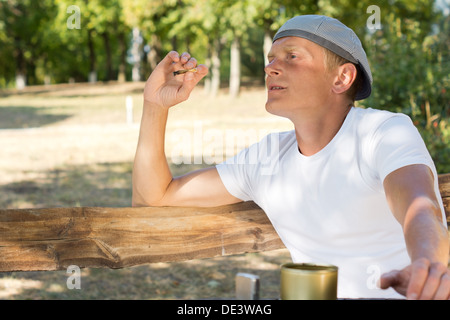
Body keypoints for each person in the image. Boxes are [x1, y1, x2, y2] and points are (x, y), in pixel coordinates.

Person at [132, 15, 449, 299]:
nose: (270, 66)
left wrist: (427, 263)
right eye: (270, 58)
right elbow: (154, 197)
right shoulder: (267, 157)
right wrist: (155, 105)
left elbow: (420, 206)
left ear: (341, 78)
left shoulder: (382, 132)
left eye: (292, 56)